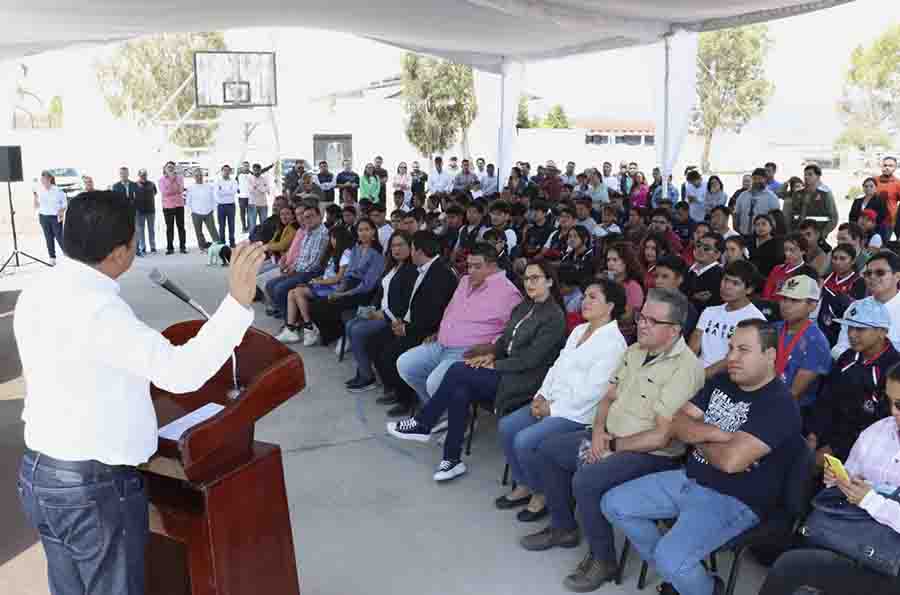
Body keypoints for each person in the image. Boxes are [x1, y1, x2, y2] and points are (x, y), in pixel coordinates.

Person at [14, 192, 265, 595]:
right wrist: (236, 302)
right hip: (91, 489)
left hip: (41, 475)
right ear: (119, 253)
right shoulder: (99, 311)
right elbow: (182, 373)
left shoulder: (39, 290)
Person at [520, 288, 703, 591]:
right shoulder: (634, 351)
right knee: (547, 450)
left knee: (587, 480)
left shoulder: (686, 368)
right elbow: (607, 398)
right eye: (642, 316)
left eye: (652, 321)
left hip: (651, 455)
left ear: (673, 330)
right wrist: (597, 436)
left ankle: (603, 560)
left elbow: (661, 436)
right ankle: (563, 528)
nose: (642, 324)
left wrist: (611, 447)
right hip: (610, 438)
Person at [603, 319, 802, 595]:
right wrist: (717, 434)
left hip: (735, 499)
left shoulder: (780, 405)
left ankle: (704, 588)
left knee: (670, 556)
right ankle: (680, 576)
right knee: (614, 504)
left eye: (743, 350)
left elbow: (730, 462)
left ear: (770, 356)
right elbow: (676, 421)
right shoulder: (722, 381)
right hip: (691, 478)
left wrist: (696, 437)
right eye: (731, 348)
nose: (731, 357)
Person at [388, 260, 565, 481]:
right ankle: (451, 460)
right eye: (527, 278)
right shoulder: (524, 307)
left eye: (536, 278)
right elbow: (504, 342)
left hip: (524, 380)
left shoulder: (554, 317)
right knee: (460, 389)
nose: (529, 283)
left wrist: (494, 364)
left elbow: (531, 360)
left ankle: (424, 423)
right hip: (503, 370)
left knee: (457, 371)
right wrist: (490, 355)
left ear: (549, 281)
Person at [761, 362, 900, 595]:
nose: (894, 411)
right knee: (791, 562)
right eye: (891, 402)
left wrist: (870, 500)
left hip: (889, 561)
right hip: (852, 536)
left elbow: (868, 499)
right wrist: (838, 480)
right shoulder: (878, 431)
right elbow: (850, 474)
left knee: (791, 568)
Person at [498, 279, 627, 522]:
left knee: (525, 440)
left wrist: (551, 409)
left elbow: (593, 392)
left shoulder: (614, 343)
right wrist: (541, 395)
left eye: (592, 297)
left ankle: (542, 494)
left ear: (610, 306)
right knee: (508, 426)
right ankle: (525, 483)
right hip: (551, 401)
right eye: (585, 295)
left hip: (578, 414)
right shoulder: (579, 330)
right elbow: (557, 366)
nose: (584, 301)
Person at [392, 242, 522, 416]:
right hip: (441, 343)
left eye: (477, 266)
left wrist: (491, 347)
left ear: (492, 266)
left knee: (434, 382)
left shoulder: (509, 293)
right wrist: (440, 331)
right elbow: (451, 310)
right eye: (469, 266)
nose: (471, 271)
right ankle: (440, 412)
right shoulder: (465, 281)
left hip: (469, 352)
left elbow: (511, 332)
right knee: (405, 364)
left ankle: (453, 416)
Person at [808, 297, 899, 467]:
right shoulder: (848, 357)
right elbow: (826, 399)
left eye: (860, 329)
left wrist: (834, 448)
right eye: (850, 327)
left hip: (864, 450)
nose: (851, 334)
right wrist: (814, 434)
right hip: (827, 437)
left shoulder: (893, 369)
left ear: (882, 331)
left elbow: (881, 424)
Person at [343, 232, 418, 392]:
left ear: (410, 247)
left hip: (393, 318)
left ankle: (367, 377)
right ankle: (363, 371)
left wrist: (381, 314)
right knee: (350, 324)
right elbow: (381, 293)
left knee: (357, 330)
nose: (396, 249)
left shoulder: (412, 270)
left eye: (400, 245)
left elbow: (404, 304)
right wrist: (371, 309)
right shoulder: (392, 266)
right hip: (379, 311)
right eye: (393, 246)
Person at [306, 219, 386, 346]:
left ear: (373, 231)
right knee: (315, 305)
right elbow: (347, 274)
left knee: (330, 304)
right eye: (360, 230)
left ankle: (341, 335)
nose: (363, 233)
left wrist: (342, 294)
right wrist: (340, 289)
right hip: (349, 286)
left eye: (367, 229)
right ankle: (334, 334)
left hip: (362, 293)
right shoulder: (355, 249)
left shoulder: (377, 255)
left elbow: (367, 285)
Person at [276, 224, 354, 344]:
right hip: (325, 284)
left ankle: (309, 327)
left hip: (333, 288)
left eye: (332, 238)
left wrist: (319, 281)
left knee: (298, 292)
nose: (330, 241)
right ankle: (291, 329)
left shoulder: (346, 253)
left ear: (339, 238)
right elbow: (328, 273)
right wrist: (318, 279)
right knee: (292, 292)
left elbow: (338, 278)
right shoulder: (335, 253)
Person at [772, 275, 832, 429]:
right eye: (784, 298)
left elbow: (794, 393)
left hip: (792, 411)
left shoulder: (816, 342)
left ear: (812, 305)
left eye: (794, 301)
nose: (786, 305)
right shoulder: (773, 329)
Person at [691, 260, 766, 377]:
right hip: (696, 372)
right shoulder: (709, 311)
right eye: (725, 280)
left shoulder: (755, 320)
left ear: (749, 289)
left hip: (726, 377)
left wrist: (700, 377)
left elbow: (735, 359)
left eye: (735, 283)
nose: (727, 287)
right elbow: (693, 347)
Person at [264, 204, 329, 319]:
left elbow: (313, 263)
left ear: (319, 216)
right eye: (305, 217)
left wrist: (295, 270)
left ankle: (291, 324)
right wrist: (292, 267)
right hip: (299, 270)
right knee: (270, 285)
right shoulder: (308, 232)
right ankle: (287, 316)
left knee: (280, 289)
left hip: (310, 273)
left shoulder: (322, 234)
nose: (307, 220)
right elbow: (300, 256)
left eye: (311, 216)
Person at [833, 250, 900, 358]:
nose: (872, 277)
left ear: (897, 276)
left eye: (880, 272)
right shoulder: (856, 307)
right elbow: (841, 347)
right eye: (868, 273)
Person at [818, 243, 867, 347]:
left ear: (853, 261)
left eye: (842, 258)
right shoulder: (824, 279)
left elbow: (855, 311)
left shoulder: (859, 282)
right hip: (819, 326)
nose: (837, 262)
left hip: (842, 332)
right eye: (835, 258)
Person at [783, 164, 839, 238]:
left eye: (810, 174)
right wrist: (791, 232)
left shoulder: (825, 194)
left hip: (817, 236)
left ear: (818, 177)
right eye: (805, 175)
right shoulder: (797, 194)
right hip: (798, 234)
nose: (806, 177)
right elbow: (790, 215)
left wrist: (822, 234)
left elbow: (834, 218)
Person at [606, 242, 645, 343]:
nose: (610, 263)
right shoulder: (607, 283)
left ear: (626, 262)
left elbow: (627, 318)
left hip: (622, 336)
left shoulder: (633, 287)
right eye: (608, 260)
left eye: (615, 260)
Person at [655, 255, 700, 337]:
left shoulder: (687, 311)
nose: (658, 281)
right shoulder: (651, 302)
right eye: (656, 276)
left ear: (679, 279)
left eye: (665, 277)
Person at [762, 233, 816, 300]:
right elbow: (766, 294)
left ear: (803, 251)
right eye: (785, 249)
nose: (787, 254)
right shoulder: (777, 269)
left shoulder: (807, 273)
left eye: (792, 250)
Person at [685, 232, 725, 313]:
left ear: (717, 254)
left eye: (706, 248)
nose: (700, 250)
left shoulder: (721, 276)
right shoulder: (685, 269)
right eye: (698, 245)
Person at [734, 168, 780, 237]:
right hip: (743, 235)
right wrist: (737, 229)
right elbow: (736, 214)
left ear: (766, 180)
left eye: (760, 178)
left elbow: (776, 220)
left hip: (762, 236)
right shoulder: (743, 195)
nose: (757, 181)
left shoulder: (772, 198)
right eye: (755, 178)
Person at [33, 170, 67, 264]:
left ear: (50, 179)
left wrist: (61, 211)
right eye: (42, 179)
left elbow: (64, 204)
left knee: (59, 236)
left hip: (55, 217)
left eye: (45, 179)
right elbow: (36, 206)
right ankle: (52, 257)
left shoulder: (58, 190)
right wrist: (35, 199)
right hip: (43, 217)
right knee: (48, 237)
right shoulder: (39, 190)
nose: (43, 181)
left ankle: (67, 252)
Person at [185, 169, 219, 250]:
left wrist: (213, 208)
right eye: (197, 175)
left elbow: (214, 198)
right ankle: (202, 246)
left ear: (203, 176)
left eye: (200, 175)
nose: (199, 177)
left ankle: (218, 245)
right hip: (196, 213)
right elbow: (188, 201)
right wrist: (191, 211)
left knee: (213, 230)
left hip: (208, 212)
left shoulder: (209, 186)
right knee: (198, 232)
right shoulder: (191, 188)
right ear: (194, 177)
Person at [158, 161, 186, 255]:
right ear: (165, 168)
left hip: (179, 205)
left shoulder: (180, 178)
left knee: (181, 227)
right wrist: (173, 185)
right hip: (167, 206)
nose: (170, 168)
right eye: (168, 167)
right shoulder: (162, 179)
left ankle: (182, 247)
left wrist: (172, 188)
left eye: (172, 167)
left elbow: (181, 189)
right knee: (169, 228)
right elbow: (164, 192)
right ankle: (170, 248)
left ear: (175, 168)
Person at [748, 213, 783, 278]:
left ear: (771, 226)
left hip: (767, 277)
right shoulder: (749, 241)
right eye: (757, 225)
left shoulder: (777, 244)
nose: (760, 227)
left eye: (764, 224)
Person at [134, 168, 157, 256]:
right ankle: (142, 247)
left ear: (146, 175)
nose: (143, 176)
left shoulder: (152, 184)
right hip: (140, 211)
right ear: (139, 175)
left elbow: (154, 193)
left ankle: (153, 247)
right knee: (141, 230)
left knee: (151, 230)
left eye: (145, 174)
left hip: (151, 210)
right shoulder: (135, 185)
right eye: (141, 175)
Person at [214, 164, 239, 248]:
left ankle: (232, 241)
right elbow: (217, 193)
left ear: (230, 171)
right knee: (221, 225)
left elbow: (233, 192)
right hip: (221, 206)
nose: (226, 172)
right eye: (224, 170)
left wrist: (223, 191)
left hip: (231, 205)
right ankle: (222, 241)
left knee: (231, 224)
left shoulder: (234, 181)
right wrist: (228, 191)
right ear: (222, 171)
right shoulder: (218, 181)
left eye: (228, 170)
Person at [247, 163, 272, 235]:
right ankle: (251, 239)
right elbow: (250, 190)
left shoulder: (264, 178)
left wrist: (257, 187)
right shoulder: (249, 178)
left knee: (264, 223)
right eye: (254, 170)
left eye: (258, 170)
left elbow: (266, 189)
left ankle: (263, 239)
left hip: (263, 204)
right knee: (252, 224)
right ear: (253, 170)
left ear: (260, 170)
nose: (256, 172)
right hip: (252, 204)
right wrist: (261, 187)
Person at [876, 155, 900, 228]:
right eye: (885, 165)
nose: (887, 167)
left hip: (888, 223)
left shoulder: (898, 183)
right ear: (881, 166)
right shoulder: (873, 181)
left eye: (890, 166)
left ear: (895, 168)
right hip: (871, 221)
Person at [237, 161, 252, 232]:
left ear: (249, 167)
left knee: (250, 213)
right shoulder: (239, 175)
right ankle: (243, 227)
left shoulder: (251, 175)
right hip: (242, 197)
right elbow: (235, 184)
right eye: (245, 166)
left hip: (251, 197)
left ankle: (249, 227)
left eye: (247, 166)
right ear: (242, 167)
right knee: (242, 213)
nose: (246, 167)